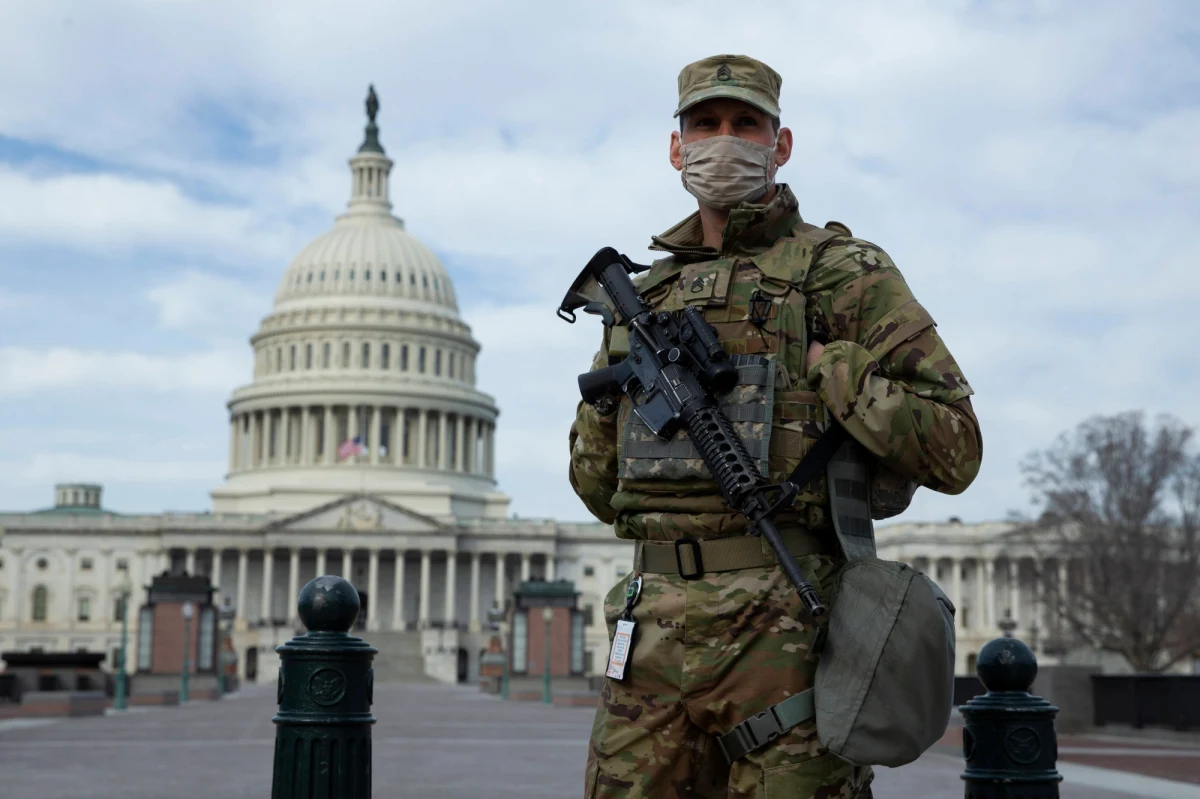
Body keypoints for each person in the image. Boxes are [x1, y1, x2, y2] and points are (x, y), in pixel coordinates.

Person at [569, 54, 983, 799]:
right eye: (704, 124)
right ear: (677, 149)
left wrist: (835, 368)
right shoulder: (643, 297)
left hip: (788, 628)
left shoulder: (841, 271)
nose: (723, 140)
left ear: (780, 144)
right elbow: (599, 491)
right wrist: (613, 398)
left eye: (745, 123)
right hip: (649, 631)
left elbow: (956, 447)